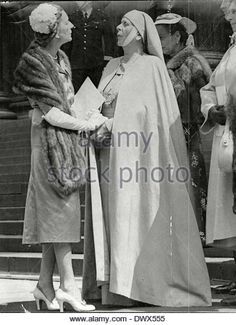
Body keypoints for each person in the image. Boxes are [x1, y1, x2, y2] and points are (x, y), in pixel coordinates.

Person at [82, 10, 211, 307]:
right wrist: (91, 120)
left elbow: (151, 115)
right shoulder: (111, 66)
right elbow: (101, 103)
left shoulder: (153, 67)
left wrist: (111, 124)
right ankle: (113, 288)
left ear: (140, 33)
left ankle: (138, 287)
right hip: (106, 154)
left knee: (131, 216)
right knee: (110, 218)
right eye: (120, 22)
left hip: (138, 159)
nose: (118, 27)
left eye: (125, 24)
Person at [13, 3, 106, 312]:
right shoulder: (32, 63)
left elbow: (66, 105)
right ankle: (68, 286)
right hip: (48, 146)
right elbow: (51, 113)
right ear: (53, 30)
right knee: (58, 211)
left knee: (61, 212)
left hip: (65, 141)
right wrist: (85, 124)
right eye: (66, 22)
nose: (72, 27)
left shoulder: (62, 58)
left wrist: (90, 114)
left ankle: (43, 285)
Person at [155, 13, 212, 244]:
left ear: (177, 36)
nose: (159, 43)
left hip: (187, 130)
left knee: (191, 182)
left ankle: (195, 234)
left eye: (162, 37)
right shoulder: (165, 65)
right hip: (172, 131)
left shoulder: (192, 63)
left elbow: (204, 94)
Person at [200, 0, 236, 305]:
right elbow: (210, 87)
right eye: (228, 14)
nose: (231, 18)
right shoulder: (230, 50)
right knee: (231, 207)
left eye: (235, 12)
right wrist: (212, 109)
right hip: (228, 134)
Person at [65, 1, 114, 91]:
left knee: (95, 93)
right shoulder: (72, 17)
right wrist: (66, 62)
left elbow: (109, 39)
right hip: (77, 65)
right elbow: (67, 43)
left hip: (96, 65)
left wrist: (107, 61)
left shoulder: (101, 16)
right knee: (77, 93)